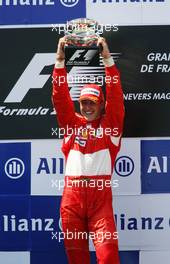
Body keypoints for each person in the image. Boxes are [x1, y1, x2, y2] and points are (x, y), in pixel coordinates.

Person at [52, 37, 125, 264]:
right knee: (77, 259)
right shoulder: (71, 125)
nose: (87, 107)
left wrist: (107, 59)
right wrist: (59, 60)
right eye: (84, 102)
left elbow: (115, 96)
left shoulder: (111, 126)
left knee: (109, 256)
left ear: (101, 104)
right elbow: (60, 98)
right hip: (71, 202)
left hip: (99, 203)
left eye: (92, 102)